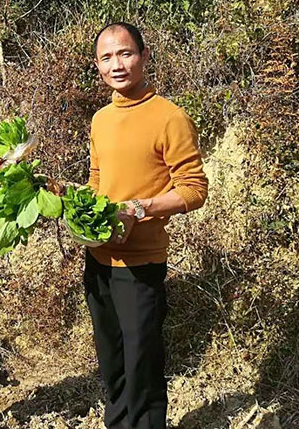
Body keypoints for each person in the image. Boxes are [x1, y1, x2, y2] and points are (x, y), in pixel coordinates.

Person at [85, 22, 208, 429]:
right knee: (113, 360)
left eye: (125, 54)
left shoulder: (169, 117)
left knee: (143, 364)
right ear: (98, 65)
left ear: (143, 57)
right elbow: (97, 181)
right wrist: (71, 206)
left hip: (141, 262)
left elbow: (194, 189)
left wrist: (140, 208)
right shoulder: (101, 119)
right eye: (106, 57)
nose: (116, 65)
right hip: (99, 258)